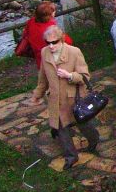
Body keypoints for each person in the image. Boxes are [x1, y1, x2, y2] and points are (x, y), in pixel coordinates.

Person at [30, 26, 99, 170]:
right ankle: (71, 157)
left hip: (73, 99)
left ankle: (94, 139)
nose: (51, 46)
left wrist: (69, 76)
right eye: (47, 42)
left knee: (83, 125)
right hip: (56, 100)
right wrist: (38, 94)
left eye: (54, 42)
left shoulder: (74, 52)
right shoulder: (45, 53)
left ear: (61, 39)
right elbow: (42, 77)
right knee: (61, 128)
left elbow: (85, 77)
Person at [20, 1, 72, 70]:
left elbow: (25, 34)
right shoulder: (51, 29)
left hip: (38, 55)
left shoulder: (31, 21)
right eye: (53, 11)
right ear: (50, 15)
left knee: (44, 73)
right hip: (51, 57)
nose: (54, 12)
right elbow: (68, 41)